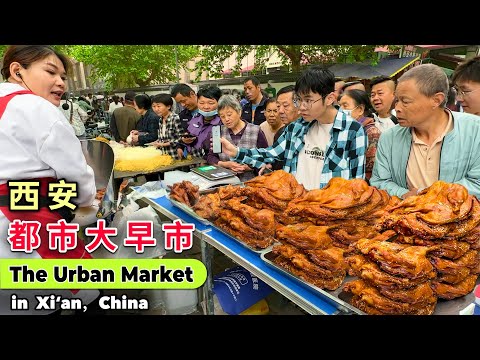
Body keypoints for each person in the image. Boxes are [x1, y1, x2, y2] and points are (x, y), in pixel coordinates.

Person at [0, 45, 98, 314]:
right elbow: (77, 179)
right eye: (50, 71)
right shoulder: (34, 107)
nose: (60, 82)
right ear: (17, 70)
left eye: (63, 77)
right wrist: (90, 202)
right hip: (28, 224)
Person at [221, 66, 367, 190]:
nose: (301, 107)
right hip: (296, 207)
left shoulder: (352, 131)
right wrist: (236, 152)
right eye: (299, 100)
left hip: (328, 213)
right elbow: (271, 153)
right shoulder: (297, 127)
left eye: (308, 100)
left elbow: (357, 187)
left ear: (329, 98)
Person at [370, 63, 480, 199]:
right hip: (406, 217)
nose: (397, 108)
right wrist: (404, 195)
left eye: (405, 101)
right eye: (397, 100)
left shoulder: (475, 130)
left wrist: (427, 196)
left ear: (436, 100)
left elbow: (477, 183)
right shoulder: (389, 138)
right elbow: (379, 182)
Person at [206, 95, 269, 181]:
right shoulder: (218, 132)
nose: (226, 119)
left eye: (229, 114)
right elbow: (211, 157)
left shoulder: (255, 130)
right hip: (225, 182)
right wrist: (225, 164)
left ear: (239, 112)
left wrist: (249, 167)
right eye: (222, 116)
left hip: (251, 182)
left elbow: (266, 158)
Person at [338, 89, 381, 182]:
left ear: (360, 109)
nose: (341, 110)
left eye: (345, 106)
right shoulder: (343, 130)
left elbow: (372, 170)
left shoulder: (371, 133)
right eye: (339, 106)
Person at [178, 85, 222, 160]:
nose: (206, 107)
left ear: (219, 103)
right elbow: (189, 136)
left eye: (210, 103)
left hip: (213, 164)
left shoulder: (223, 122)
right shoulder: (195, 119)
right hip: (193, 162)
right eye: (201, 103)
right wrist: (186, 141)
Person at [150, 93, 183, 158]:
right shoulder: (160, 119)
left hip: (175, 155)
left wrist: (162, 144)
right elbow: (162, 138)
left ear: (168, 106)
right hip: (165, 155)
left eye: (159, 106)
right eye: (154, 106)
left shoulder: (175, 118)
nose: (156, 109)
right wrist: (156, 142)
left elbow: (181, 139)